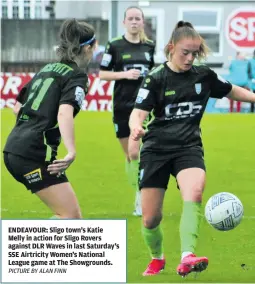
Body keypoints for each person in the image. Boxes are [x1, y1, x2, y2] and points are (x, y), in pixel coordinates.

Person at [129, 21, 255, 277]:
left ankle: (187, 256)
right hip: (156, 150)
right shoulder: (156, 78)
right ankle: (157, 258)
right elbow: (137, 113)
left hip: (188, 148)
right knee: (150, 219)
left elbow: (231, 91)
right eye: (185, 52)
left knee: (195, 190)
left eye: (194, 53)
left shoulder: (203, 75)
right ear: (171, 48)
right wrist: (135, 128)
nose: (189, 58)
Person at [3, 19, 97, 219]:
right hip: (32, 153)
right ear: (88, 48)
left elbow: (17, 107)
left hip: (16, 147)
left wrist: (34, 123)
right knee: (71, 217)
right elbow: (65, 111)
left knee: (70, 216)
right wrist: (71, 151)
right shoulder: (77, 76)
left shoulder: (47, 69)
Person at [99, 6, 155, 216]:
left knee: (135, 152)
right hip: (121, 105)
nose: (134, 22)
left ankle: (141, 198)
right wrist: (124, 75)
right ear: (124, 22)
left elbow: (154, 73)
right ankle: (138, 190)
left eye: (137, 18)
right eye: (130, 18)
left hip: (142, 106)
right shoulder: (114, 45)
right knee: (130, 155)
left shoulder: (149, 46)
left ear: (142, 22)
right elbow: (103, 74)